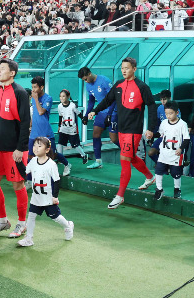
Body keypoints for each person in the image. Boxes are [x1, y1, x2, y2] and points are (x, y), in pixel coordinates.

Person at [88, 57, 157, 209]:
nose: (124, 71)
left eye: (127, 68)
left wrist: (151, 128)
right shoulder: (119, 84)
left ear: (134, 69)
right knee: (131, 157)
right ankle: (150, 177)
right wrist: (94, 110)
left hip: (134, 130)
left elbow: (152, 107)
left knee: (124, 159)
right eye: (122, 68)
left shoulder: (142, 87)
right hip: (121, 128)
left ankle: (120, 196)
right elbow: (107, 100)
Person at [0, 59, 31, 238]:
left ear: (12, 73)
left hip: (15, 150)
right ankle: (3, 221)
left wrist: (20, 148)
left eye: (2, 69)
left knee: (18, 185)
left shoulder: (20, 93)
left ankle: (22, 224)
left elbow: (25, 123)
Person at [17, 137, 74, 247]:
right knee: (31, 216)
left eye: (39, 146)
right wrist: (18, 162)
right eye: (34, 145)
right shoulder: (33, 161)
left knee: (55, 217)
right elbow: (24, 173)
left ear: (47, 150)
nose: (36, 148)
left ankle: (68, 225)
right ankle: (29, 239)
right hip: (36, 196)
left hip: (48, 198)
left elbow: (57, 181)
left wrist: (54, 196)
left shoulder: (51, 164)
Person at [29, 76, 72, 176]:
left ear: (41, 87)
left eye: (35, 87)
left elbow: (41, 112)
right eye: (32, 87)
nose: (33, 90)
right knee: (30, 155)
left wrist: (35, 99)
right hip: (34, 132)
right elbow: (34, 113)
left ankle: (67, 164)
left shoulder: (48, 98)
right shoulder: (33, 99)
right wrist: (30, 125)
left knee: (52, 155)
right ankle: (30, 180)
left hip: (45, 133)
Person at [78, 67, 118, 169]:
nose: (85, 81)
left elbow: (114, 98)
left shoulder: (104, 80)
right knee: (95, 133)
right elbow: (91, 101)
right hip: (101, 111)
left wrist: (109, 114)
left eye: (86, 79)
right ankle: (98, 161)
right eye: (84, 80)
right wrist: (86, 115)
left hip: (113, 111)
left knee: (113, 138)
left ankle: (130, 153)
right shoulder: (88, 86)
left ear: (90, 74)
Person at [153, 101, 190, 200]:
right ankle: (159, 189)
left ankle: (177, 189)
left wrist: (181, 148)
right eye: (166, 114)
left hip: (176, 154)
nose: (168, 116)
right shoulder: (164, 123)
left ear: (177, 113)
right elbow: (160, 134)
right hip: (164, 153)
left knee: (176, 173)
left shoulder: (182, 124)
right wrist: (152, 135)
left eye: (171, 113)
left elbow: (186, 139)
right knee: (158, 170)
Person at [57, 89, 88, 165]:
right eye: (60, 96)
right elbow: (60, 116)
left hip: (72, 129)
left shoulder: (72, 106)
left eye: (63, 96)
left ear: (68, 97)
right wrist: (59, 126)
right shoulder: (59, 106)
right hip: (63, 128)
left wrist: (83, 120)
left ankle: (84, 155)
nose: (61, 98)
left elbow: (79, 113)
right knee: (60, 143)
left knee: (75, 145)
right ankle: (60, 158)